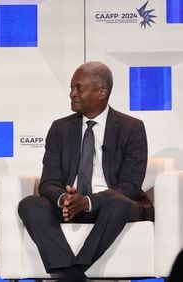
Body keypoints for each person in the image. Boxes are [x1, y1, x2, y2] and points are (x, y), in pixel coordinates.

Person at [18, 61, 152, 282]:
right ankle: (70, 273)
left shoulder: (132, 128)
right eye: (71, 88)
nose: (72, 94)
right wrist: (66, 200)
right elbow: (48, 182)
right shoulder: (59, 128)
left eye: (79, 88)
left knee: (119, 203)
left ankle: (73, 273)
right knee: (29, 204)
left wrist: (89, 201)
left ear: (102, 92)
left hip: (111, 206)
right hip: (70, 207)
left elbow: (130, 185)